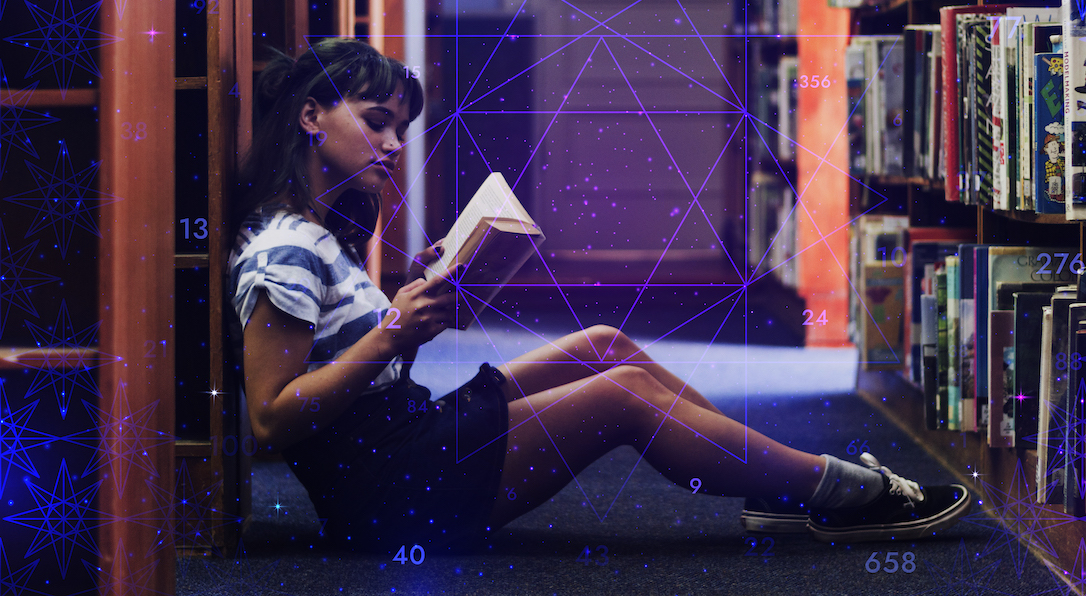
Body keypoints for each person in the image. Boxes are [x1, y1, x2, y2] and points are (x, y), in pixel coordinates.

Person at [227, 38, 969, 553]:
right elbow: (271, 416)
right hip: (388, 492)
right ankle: (839, 491)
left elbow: (347, 358)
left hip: (405, 436)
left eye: (399, 128)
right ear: (311, 116)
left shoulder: (319, 234)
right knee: (624, 397)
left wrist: (412, 297)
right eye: (377, 122)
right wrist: (393, 331)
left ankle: (777, 483)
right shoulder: (285, 250)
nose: (394, 146)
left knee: (606, 347)